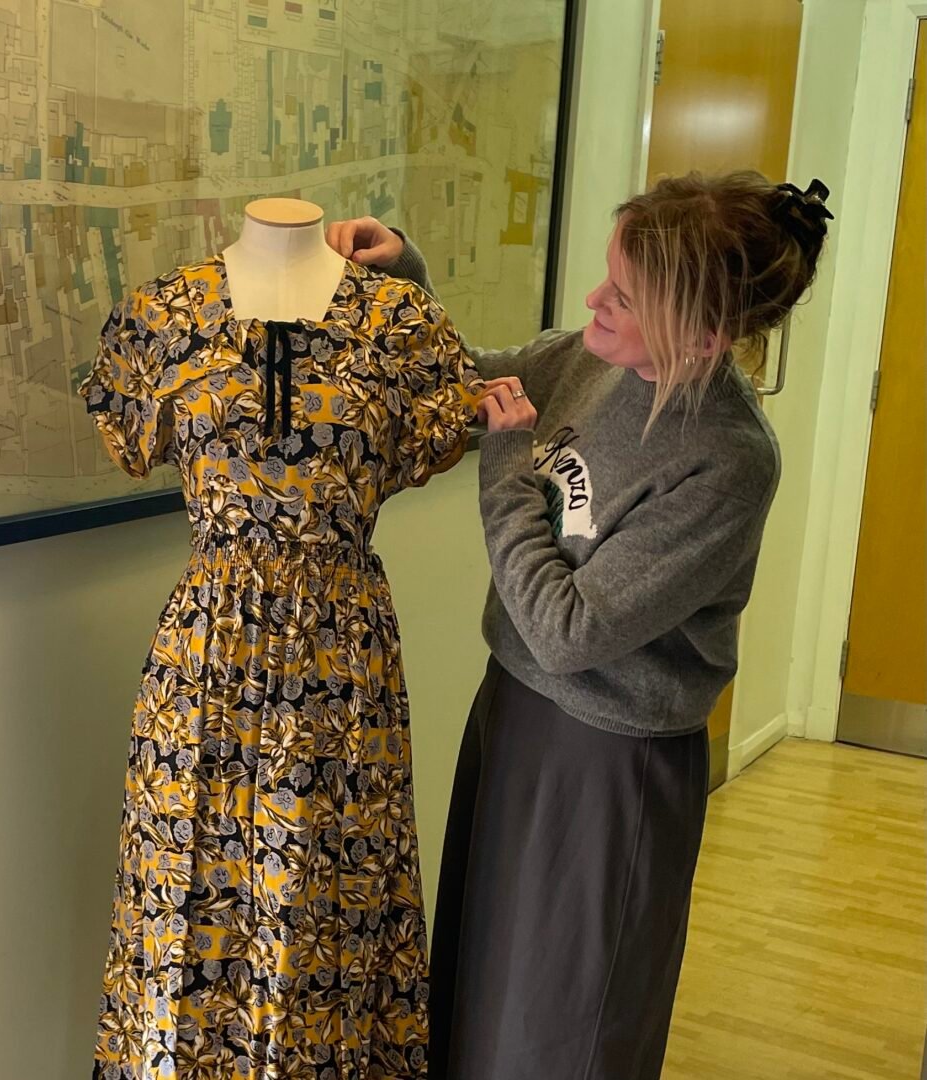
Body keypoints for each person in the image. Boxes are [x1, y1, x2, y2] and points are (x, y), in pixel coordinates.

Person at [326, 172, 833, 1080]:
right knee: (481, 994)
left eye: (624, 296)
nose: (594, 300)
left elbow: (568, 630)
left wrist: (503, 471)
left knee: (564, 1031)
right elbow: (475, 379)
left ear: (704, 335)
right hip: (514, 714)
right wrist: (404, 276)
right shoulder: (594, 359)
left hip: (611, 764)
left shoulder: (725, 459)